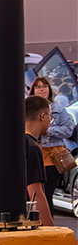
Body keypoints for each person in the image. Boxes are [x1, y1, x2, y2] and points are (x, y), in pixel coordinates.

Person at [30, 75, 75, 215]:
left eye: (44, 86)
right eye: (38, 87)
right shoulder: (26, 107)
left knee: (47, 193)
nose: (41, 90)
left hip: (52, 156)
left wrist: (47, 130)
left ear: (50, 89)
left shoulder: (58, 109)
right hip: (31, 153)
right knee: (31, 194)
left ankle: (48, 227)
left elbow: (68, 129)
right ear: (32, 90)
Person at [25, 94, 55, 226]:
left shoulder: (12, 142)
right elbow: (35, 194)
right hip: (26, 219)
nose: (50, 121)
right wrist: (51, 231)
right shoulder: (32, 148)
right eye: (51, 116)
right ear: (42, 116)